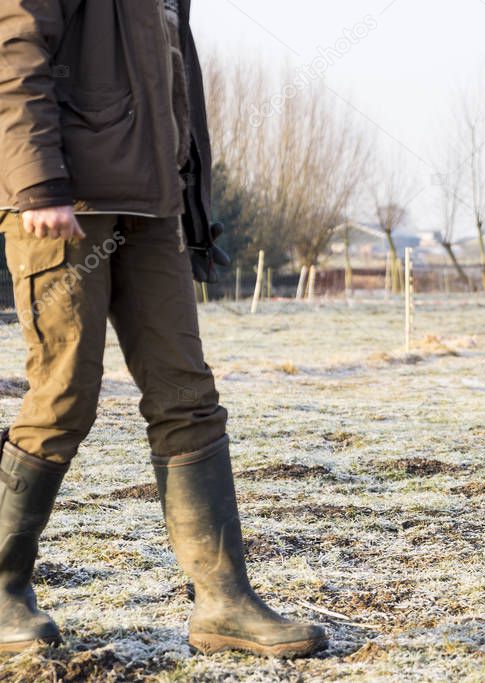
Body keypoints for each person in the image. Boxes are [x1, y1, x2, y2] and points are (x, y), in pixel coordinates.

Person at [0, 0, 326, 657]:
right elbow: (14, 53)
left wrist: (190, 196)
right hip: (65, 204)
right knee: (63, 397)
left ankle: (224, 600)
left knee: (188, 397)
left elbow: (172, 85)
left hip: (155, 205)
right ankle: (3, 585)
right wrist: (37, 184)